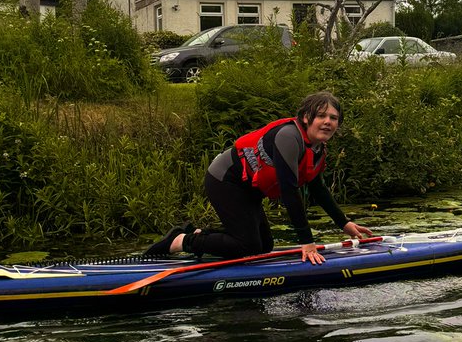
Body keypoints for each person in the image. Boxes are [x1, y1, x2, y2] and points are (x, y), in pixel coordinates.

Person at [145, 90, 372, 264]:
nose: (328, 122)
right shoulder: (289, 137)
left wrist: (344, 223)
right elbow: (289, 192)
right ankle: (181, 240)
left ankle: (199, 234)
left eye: (333, 118)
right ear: (305, 118)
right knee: (248, 245)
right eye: (321, 116)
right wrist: (307, 242)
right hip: (225, 180)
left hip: (249, 189)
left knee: (263, 246)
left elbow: (317, 188)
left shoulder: (317, 148)